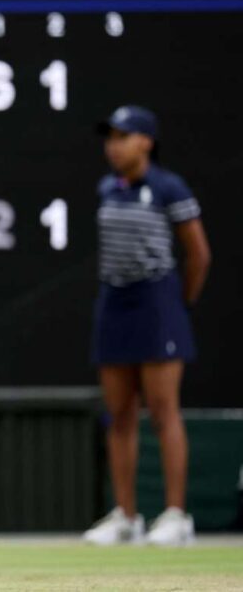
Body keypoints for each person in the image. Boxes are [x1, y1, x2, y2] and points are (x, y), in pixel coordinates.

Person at [83, 105, 211, 547]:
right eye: (110, 137)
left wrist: (179, 303)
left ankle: (176, 516)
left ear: (146, 142)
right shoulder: (106, 188)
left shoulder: (168, 187)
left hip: (157, 303)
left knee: (162, 409)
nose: (113, 146)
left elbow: (198, 255)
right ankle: (127, 517)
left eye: (123, 137)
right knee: (119, 413)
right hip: (114, 303)